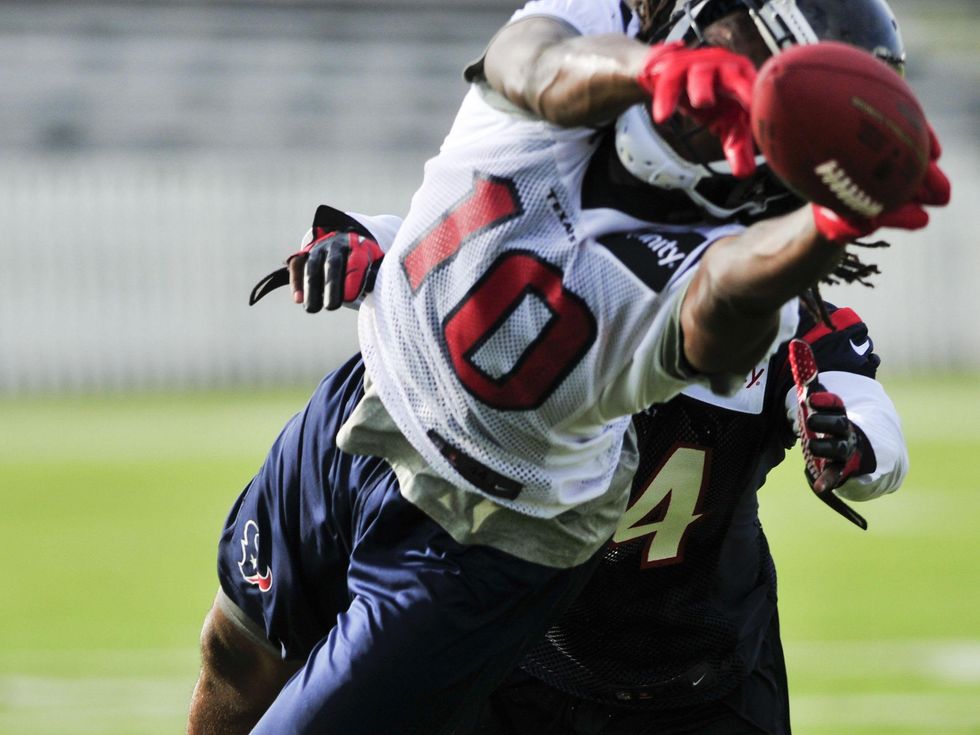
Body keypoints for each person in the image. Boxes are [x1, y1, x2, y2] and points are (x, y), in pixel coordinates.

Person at [188, 0, 948, 733]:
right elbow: (527, 81)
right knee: (232, 655)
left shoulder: (759, 280)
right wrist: (652, 70)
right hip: (370, 402)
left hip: (489, 536)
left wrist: (829, 225)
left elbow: (724, 316)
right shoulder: (601, 26)